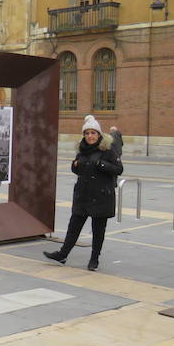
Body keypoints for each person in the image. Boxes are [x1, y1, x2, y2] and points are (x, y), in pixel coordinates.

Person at [43, 114, 123, 271]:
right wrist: (75, 165)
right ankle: (63, 254)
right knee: (73, 226)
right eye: (87, 133)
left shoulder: (107, 150)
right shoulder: (83, 149)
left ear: (99, 134)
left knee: (98, 230)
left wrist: (100, 164)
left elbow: (118, 169)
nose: (90, 136)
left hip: (101, 196)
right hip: (83, 195)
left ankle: (94, 259)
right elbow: (78, 168)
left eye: (93, 133)